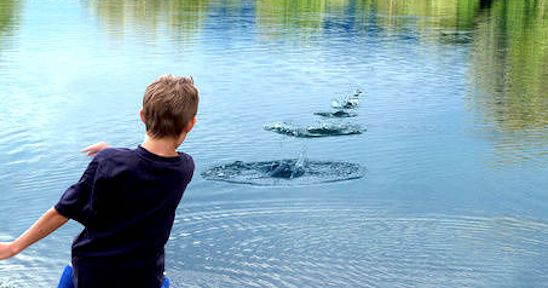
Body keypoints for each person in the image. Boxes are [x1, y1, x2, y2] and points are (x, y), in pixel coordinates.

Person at [0, 75, 198, 288]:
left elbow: (63, 211)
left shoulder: (108, 163)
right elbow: (148, 164)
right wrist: (112, 154)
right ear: (191, 124)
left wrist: (14, 247)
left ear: (142, 116)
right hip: (145, 276)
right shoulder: (185, 168)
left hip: (92, 274)